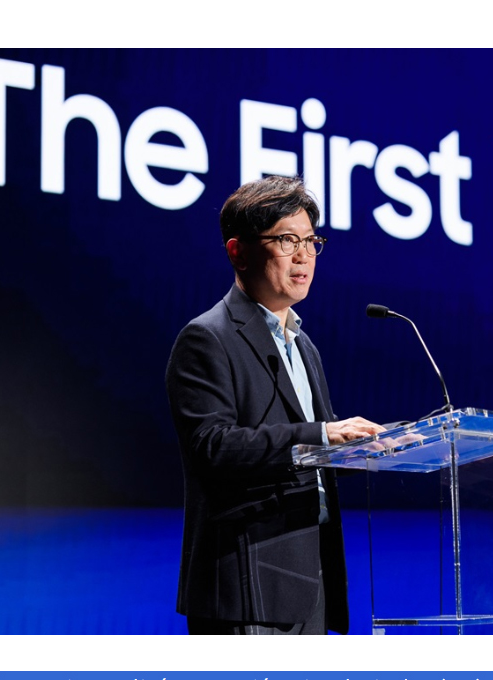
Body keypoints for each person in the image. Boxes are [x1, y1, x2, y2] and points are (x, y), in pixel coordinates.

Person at [165, 175, 384, 635]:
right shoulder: (206, 338)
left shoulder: (304, 345)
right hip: (247, 584)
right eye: (287, 240)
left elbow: (315, 453)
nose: (304, 255)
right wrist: (322, 434)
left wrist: (378, 447)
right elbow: (213, 447)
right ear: (238, 251)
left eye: (311, 241)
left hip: (311, 576)